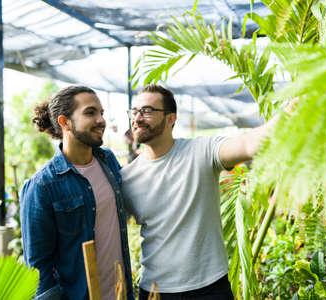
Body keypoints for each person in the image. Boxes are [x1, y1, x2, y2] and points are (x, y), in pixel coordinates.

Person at [121, 85, 290, 299]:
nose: (137, 118)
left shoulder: (201, 151)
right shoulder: (127, 178)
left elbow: (248, 144)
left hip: (210, 288)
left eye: (147, 111)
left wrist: (290, 112)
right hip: (155, 291)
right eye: (134, 111)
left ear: (171, 118)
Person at [20, 86, 134, 300]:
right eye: (90, 113)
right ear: (65, 122)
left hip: (122, 294)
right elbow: (38, 271)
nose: (101, 120)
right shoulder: (42, 186)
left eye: (101, 113)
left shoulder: (108, 161)